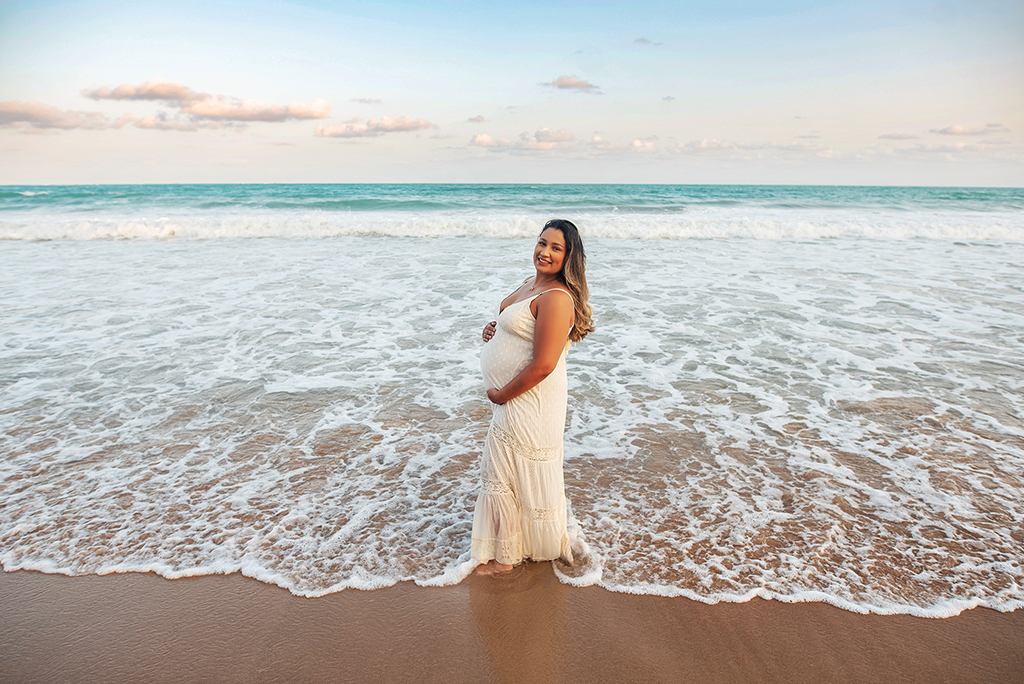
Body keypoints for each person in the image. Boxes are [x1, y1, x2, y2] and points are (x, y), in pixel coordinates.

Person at [471, 219, 594, 576]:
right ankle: (511, 550)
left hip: (532, 400)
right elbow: (519, 326)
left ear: (569, 257)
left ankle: (504, 561)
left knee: (500, 473)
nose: (545, 252)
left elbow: (543, 364)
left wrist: (501, 395)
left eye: (556, 248)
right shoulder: (531, 284)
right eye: (542, 243)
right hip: (517, 396)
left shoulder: (556, 298)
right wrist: (494, 330)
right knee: (504, 474)